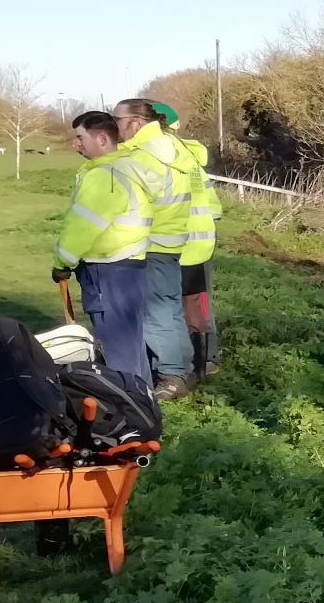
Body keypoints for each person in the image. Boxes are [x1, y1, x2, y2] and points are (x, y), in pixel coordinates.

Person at [52, 112, 156, 394]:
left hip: (107, 271)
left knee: (118, 349)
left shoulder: (103, 177)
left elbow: (82, 227)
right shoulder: (127, 168)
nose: (76, 144)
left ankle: (128, 416)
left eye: (80, 137)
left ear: (102, 139)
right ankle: (144, 406)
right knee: (132, 345)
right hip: (130, 266)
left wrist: (62, 261)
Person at [112, 97, 196, 399]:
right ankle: (184, 371)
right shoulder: (171, 149)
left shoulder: (144, 155)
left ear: (136, 122)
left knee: (155, 315)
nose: (114, 127)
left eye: (117, 120)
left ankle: (171, 377)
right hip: (169, 241)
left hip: (150, 242)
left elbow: (129, 203)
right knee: (169, 311)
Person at [150, 102, 224, 379]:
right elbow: (213, 206)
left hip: (169, 243)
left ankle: (186, 367)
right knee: (198, 305)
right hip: (199, 244)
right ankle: (207, 362)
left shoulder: (154, 156)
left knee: (169, 307)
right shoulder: (190, 159)